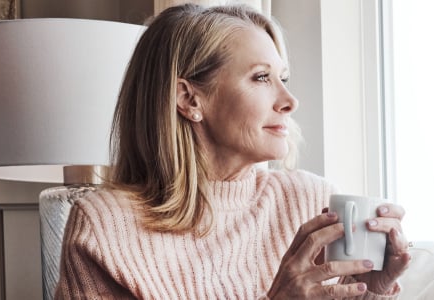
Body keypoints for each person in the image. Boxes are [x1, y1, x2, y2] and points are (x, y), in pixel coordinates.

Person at [55, 3, 410, 299]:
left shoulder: (310, 201)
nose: (290, 101)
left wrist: (368, 289)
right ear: (189, 99)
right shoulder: (104, 227)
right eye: (260, 77)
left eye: (282, 79)